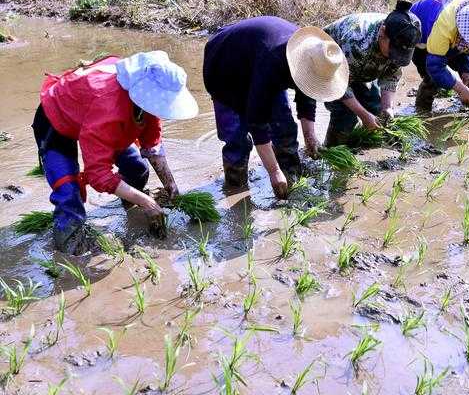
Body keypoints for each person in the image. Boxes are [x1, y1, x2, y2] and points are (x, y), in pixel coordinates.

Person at [33, 51, 199, 254]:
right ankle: (69, 247)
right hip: (57, 120)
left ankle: (130, 204)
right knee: (68, 193)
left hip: (94, 116)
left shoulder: (146, 101)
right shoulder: (108, 106)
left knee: (136, 168)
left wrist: (170, 184)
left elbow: (152, 145)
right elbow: (98, 175)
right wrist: (145, 200)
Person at [203, 16, 348, 198]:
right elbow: (257, 122)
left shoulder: (312, 57)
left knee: (284, 126)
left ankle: (291, 177)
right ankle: (236, 188)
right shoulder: (274, 62)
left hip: (259, 58)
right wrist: (273, 171)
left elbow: (307, 95)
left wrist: (310, 136)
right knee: (236, 138)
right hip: (225, 68)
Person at [321, 0, 422, 146]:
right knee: (345, 115)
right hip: (330, 65)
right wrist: (363, 115)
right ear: (382, 33)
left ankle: (364, 142)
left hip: (358, 67)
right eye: (394, 51)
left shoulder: (402, 35)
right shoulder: (356, 43)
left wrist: (388, 107)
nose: (395, 56)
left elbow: (391, 74)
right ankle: (332, 150)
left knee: (376, 108)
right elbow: (340, 86)